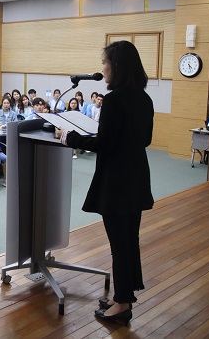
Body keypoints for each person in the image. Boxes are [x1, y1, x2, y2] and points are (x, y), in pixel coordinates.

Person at [57, 40, 154, 325]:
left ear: (116, 67)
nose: (102, 68)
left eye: (104, 63)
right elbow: (144, 139)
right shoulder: (144, 98)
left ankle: (122, 304)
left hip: (117, 180)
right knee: (128, 240)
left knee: (119, 243)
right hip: (136, 176)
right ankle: (124, 295)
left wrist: (70, 138)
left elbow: (105, 143)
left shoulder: (114, 100)